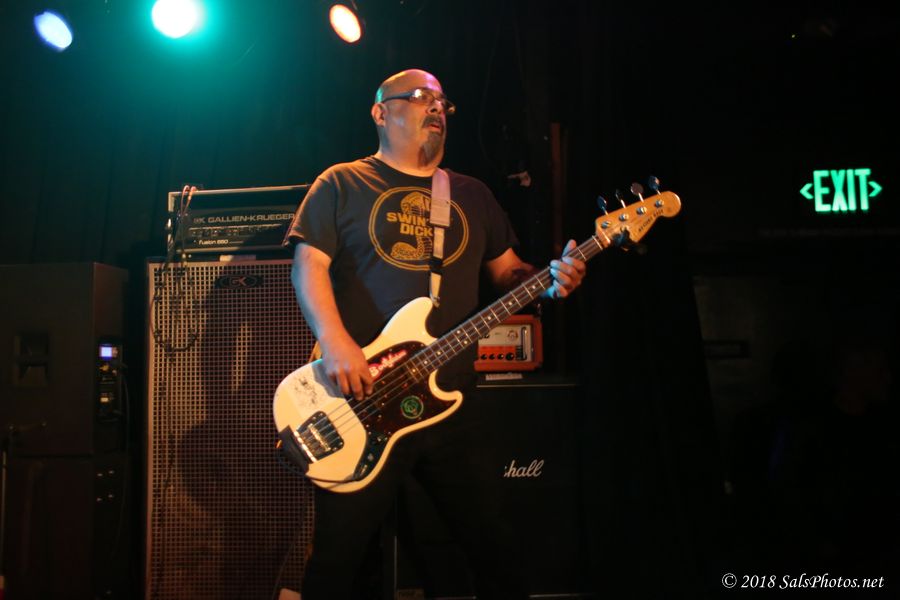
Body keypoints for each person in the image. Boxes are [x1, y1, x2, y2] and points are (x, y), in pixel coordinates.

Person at [286, 68, 586, 599]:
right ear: (381, 112)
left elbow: (509, 273)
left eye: (443, 102)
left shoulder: (470, 193)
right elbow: (307, 267)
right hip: (363, 398)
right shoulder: (342, 182)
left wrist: (550, 278)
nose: (436, 108)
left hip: (451, 403)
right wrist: (335, 343)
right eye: (421, 97)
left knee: (496, 551)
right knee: (336, 561)